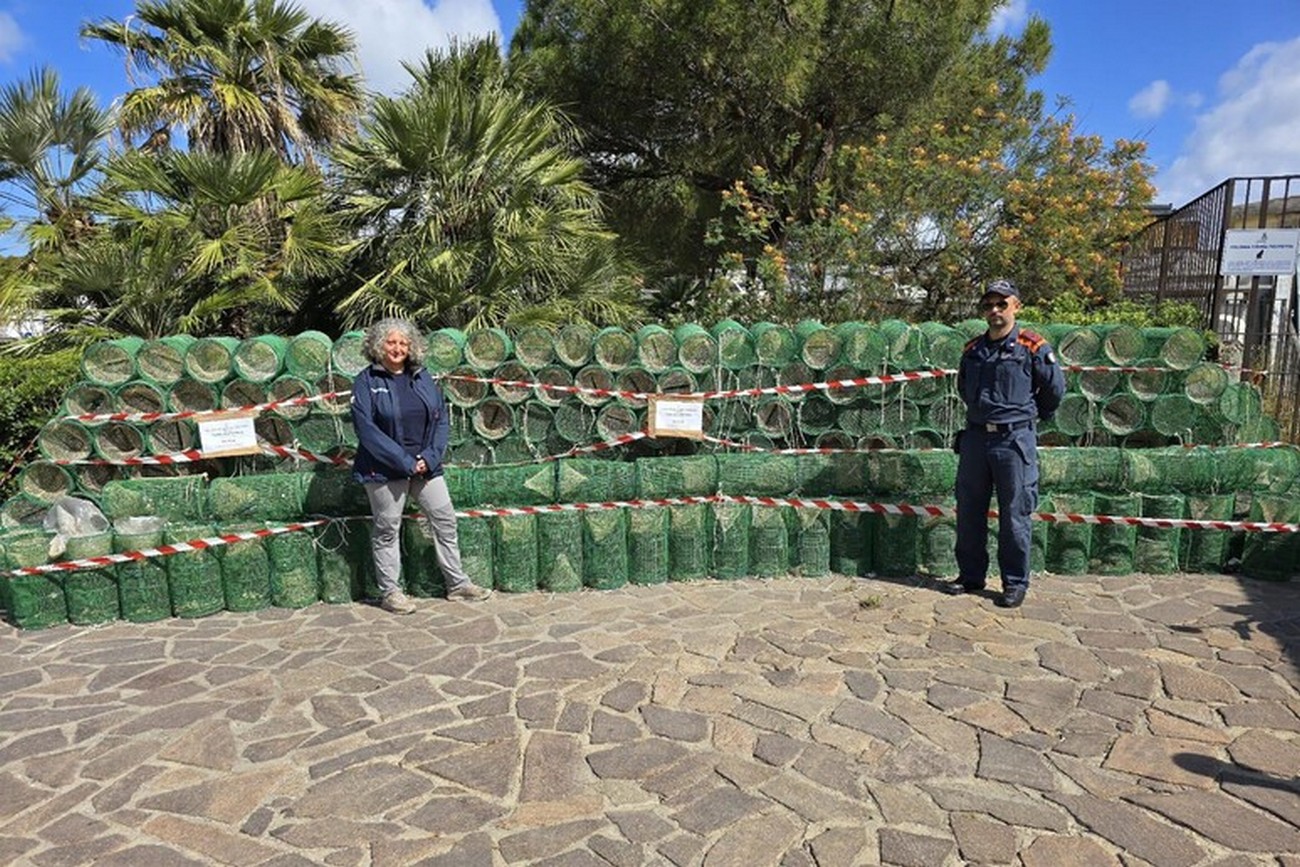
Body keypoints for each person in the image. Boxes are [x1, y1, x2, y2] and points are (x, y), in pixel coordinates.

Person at [351, 318, 492, 613]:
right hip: (384, 469)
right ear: (378, 345)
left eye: (403, 343)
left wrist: (430, 457)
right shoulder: (366, 382)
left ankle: (457, 584)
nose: (398, 348)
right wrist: (404, 461)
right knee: (387, 528)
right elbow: (367, 430)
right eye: (391, 342)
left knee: (444, 519)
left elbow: (440, 418)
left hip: (426, 466)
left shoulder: (422, 376)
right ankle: (391, 592)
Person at [944, 280, 1065, 608]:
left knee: (1015, 513)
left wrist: (1027, 419)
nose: (995, 311)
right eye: (989, 305)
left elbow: (1054, 390)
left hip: (1014, 440)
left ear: (1016, 307)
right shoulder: (973, 350)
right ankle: (971, 576)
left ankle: (1014, 582)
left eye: (1002, 304)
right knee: (969, 510)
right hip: (976, 438)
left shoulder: (1032, 346)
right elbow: (963, 388)